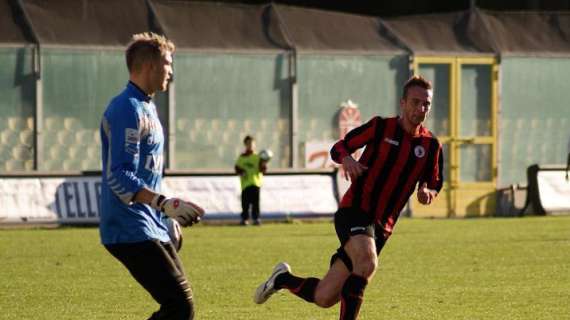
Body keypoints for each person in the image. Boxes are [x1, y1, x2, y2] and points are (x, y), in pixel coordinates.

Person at [253, 75, 444, 320]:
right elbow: (339, 147)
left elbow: (434, 180)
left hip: (381, 228)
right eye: (416, 102)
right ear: (403, 103)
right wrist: (348, 159)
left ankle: (282, 279)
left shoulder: (431, 145)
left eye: (426, 104)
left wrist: (427, 190)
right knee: (367, 263)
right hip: (355, 209)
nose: (421, 108)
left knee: (324, 296)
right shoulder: (380, 127)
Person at [99, 32, 205, 320]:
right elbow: (119, 175)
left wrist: (165, 214)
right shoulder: (126, 109)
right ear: (149, 66)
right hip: (128, 227)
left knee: (181, 308)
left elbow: (148, 172)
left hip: (150, 223)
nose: (171, 71)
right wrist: (163, 204)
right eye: (167, 64)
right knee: (180, 307)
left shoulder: (146, 106)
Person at [234, 135, 267, 225]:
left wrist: (264, 164)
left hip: (256, 183)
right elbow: (237, 168)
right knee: (245, 203)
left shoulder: (257, 157)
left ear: (255, 145)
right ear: (245, 145)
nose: (250, 145)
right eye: (248, 143)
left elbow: (262, 170)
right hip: (245, 184)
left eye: (252, 143)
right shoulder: (242, 157)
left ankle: (256, 219)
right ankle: (245, 219)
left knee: (256, 203)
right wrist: (242, 172)